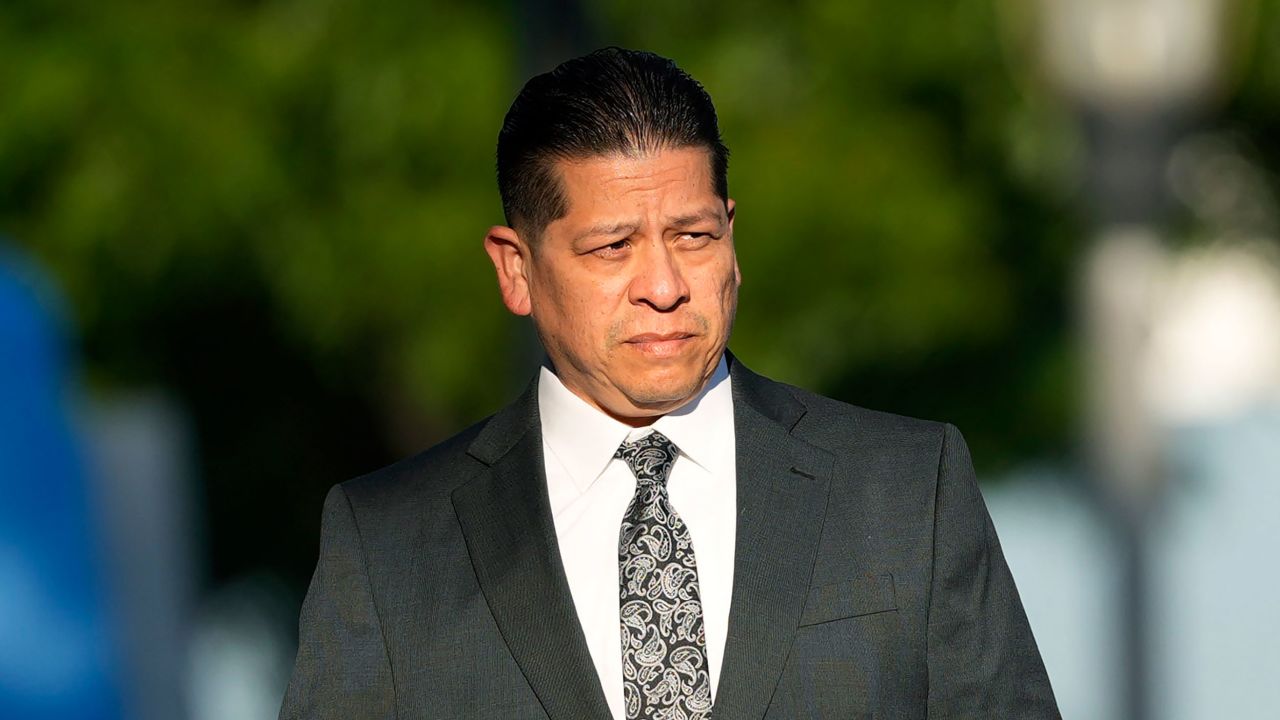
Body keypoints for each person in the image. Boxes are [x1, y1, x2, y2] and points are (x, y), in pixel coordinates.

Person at [279, 47, 1060, 719]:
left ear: (731, 237)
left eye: (693, 236)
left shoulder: (903, 493)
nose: (663, 283)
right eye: (612, 248)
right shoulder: (390, 548)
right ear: (516, 269)